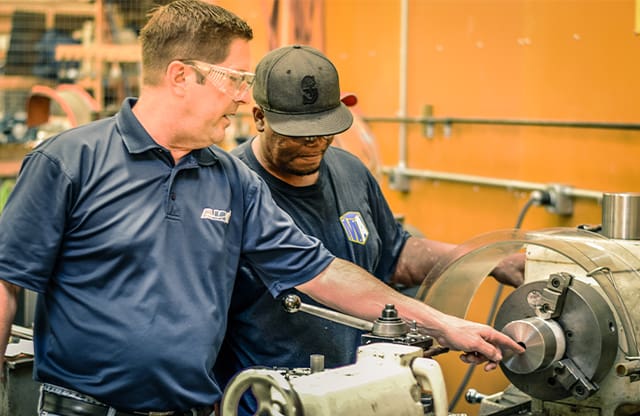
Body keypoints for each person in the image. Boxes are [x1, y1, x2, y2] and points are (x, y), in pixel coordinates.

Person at [0, 2, 523, 415]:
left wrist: (444, 324)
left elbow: (323, 273)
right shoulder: (71, 161)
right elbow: (6, 284)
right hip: (83, 410)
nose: (239, 97)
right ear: (182, 76)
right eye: (235, 78)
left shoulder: (230, 180)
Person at [214, 44, 525, 414]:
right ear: (260, 118)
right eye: (299, 133)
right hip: (270, 402)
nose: (315, 142)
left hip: (366, 395)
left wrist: (485, 259)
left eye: (325, 128)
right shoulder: (228, 190)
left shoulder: (350, 171)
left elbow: (395, 254)